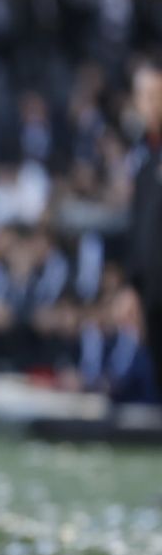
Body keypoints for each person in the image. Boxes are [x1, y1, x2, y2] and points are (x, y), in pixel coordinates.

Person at [127, 61, 162, 392]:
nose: (145, 105)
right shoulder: (145, 159)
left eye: (152, 95)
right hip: (152, 295)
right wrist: (133, 289)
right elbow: (138, 231)